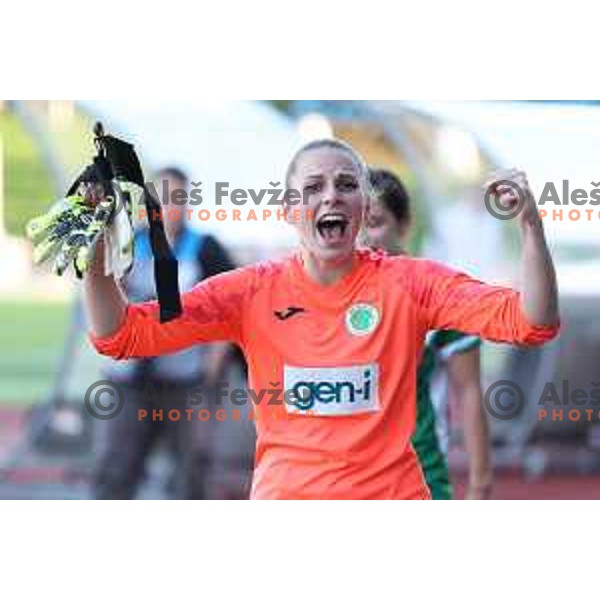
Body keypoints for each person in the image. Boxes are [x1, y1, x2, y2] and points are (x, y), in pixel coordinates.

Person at [84, 139, 559, 500]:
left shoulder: (412, 283)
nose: (331, 196)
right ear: (290, 210)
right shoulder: (250, 291)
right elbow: (120, 334)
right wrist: (96, 250)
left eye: (347, 185)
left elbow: (531, 321)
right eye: (313, 188)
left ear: (363, 208)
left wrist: (531, 227)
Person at [93, 166, 237, 499]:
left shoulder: (205, 248)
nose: (169, 207)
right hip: (130, 380)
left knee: (191, 471)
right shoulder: (127, 242)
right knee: (117, 467)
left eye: (178, 198)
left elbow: (231, 309)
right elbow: (105, 300)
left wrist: (213, 365)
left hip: (186, 381)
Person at [363, 168, 491, 500]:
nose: (363, 238)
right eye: (355, 224)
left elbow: (469, 390)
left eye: (375, 223)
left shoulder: (438, 292)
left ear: (404, 226)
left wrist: (480, 484)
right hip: (343, 478)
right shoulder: (326, 293)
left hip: (419, 472)